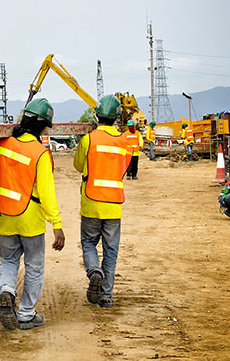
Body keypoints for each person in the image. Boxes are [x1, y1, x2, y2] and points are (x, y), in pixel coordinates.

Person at [0, 98, 65, 331]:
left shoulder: (1, 144)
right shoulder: (40, 153)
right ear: (42, 126)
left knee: (8, 261)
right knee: (34, 266)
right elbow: (47, 193)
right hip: (30, 219)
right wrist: (57, 224)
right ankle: (25, 313)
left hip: (4, 216)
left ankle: (7, 291)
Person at [73, 95, 132, 309]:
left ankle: (93, 271)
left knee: (88, 243)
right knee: (111, 251)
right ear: (117, 117)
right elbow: (124, 169)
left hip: (90, 202)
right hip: (114, 205)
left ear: (97, 115)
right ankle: (106, 296)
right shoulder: (125, 141)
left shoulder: (88, 140)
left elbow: (79, 166)